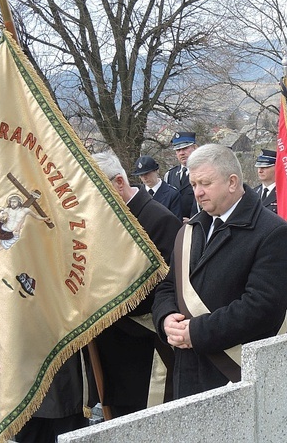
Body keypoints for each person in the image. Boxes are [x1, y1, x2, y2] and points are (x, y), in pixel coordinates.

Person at [151, 144, 287, 398]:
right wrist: (166, 320)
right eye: (194, 184)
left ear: (232, 182)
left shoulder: (273, 232)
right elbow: (168, 287)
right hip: (187, 369)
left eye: (205, 183)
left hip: (235, 372)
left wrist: (196, 332)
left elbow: (263, 306)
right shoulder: (189, 230)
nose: (197, 192)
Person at [93, 151, 182, 416]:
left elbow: (167, 286)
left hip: (144, 351)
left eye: (99, 190)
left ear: (119, 182)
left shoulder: (159, 219)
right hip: (112, 348)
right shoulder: (105, 219)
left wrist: (103, 297)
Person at [163, 132, 198, 222]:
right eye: (178, 150)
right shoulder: (169, 175)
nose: (181, 153)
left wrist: (193, 220)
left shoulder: (202, 172)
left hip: (197, 225)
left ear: (194, 148)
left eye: (185, 148)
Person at [253, 149, 278, 214]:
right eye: (259, 167)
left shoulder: (284, 193)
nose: (260, 171)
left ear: (276, 167)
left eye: (265, 167)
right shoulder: (253, 193)